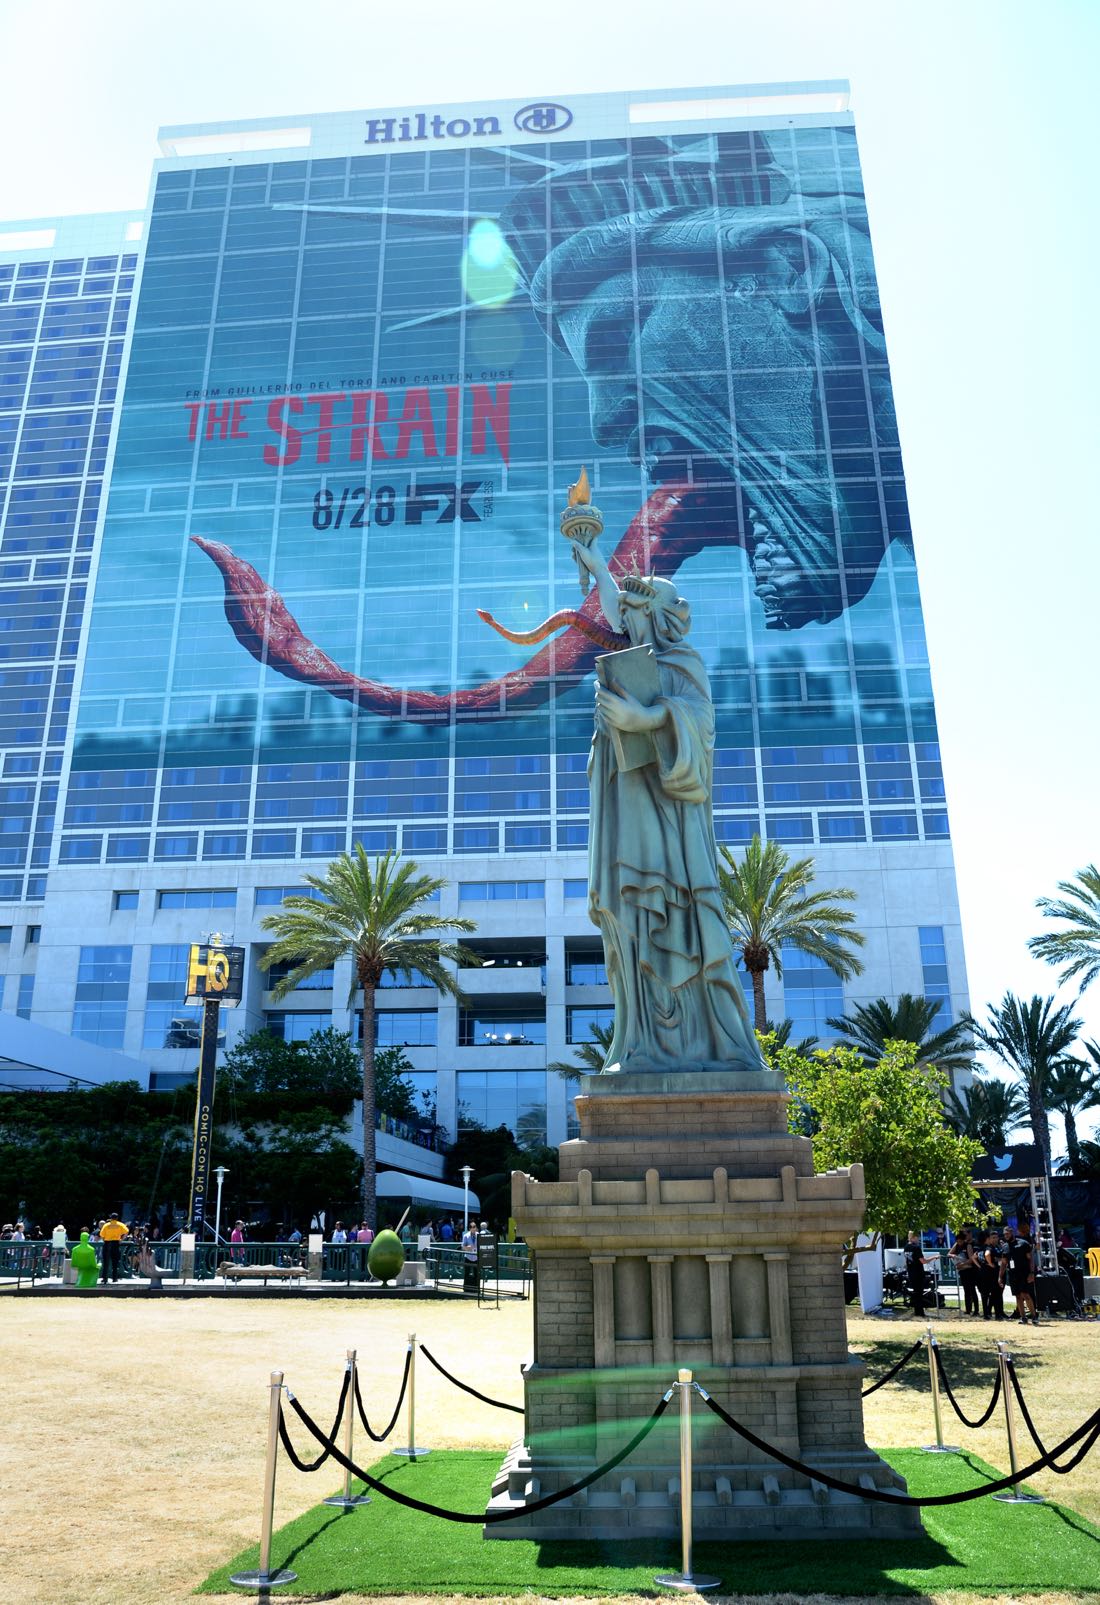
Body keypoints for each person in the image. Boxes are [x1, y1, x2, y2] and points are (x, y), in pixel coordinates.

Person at [569, 534, 764, 1074]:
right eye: (622, 615)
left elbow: (699, 731)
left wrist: (648, 719)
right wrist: (596, 566)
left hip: (671, 832)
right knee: (629, 920)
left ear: (656, 618)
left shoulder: (682, 667)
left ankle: (707, 1044)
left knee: (676, 918)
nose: (623, 623)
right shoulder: (632, 667)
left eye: (634, 614)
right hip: (626, 817)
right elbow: (618, 607)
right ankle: (639, 1044)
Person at [1003, 1225, 1038, 1325]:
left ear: (1012, 1233)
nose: (1006, 1236)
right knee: (1018, 1296)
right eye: (1005, 1234)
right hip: (1013, 1275)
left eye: (1008, 1233)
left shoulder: (1023, 1244)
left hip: (1024, 1273)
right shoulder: (1005, 1247)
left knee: (1025, 1294)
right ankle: (1023, 1317)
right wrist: (1000, 1276)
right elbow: (1004, 1263)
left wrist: (1031, 1273)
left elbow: (1031, 1259)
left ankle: (1034, 1316)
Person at [953, 1230, 981, 1317]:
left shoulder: (968, 1245)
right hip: (962, 1271)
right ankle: (968, 1310)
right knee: (966, 1291)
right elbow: (949, 1253)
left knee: (972, 1290)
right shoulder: (956, 1245)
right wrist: (953, 1256)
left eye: (960, 1241)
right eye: (957, 1241)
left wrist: (963, 1264)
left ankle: (976, 1310)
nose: (959, 1243)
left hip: (970, 1271)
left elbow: (971, 1258)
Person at [979, 1229, 1004, 1321]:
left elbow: (975, 1257)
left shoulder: (996, 1247)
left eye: (996, 1237)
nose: (995, 1239)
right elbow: (987, 1254)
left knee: (992, 1294)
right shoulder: (989, 1248)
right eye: (993, 1238)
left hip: (987, 1272)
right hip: (989, 1273)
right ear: (989, 1239)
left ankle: (988, 1314)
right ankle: (994, 1314)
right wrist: (990, 1263)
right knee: (993, 1294)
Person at [904, 1231, 928, 1319]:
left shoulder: (906, 1247)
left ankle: (917, 1311)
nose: (918, 1239)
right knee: (919, 1293)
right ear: (913, 1237)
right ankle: (920, 1312)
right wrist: (934, 1258)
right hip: (918, 1273)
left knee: (916, 1293)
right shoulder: (916, 1248)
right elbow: (923, 1261)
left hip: (911, 1273)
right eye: (917, 1237)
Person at [99, 1213, 128, 1283]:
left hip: (107, 1243)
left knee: (106, 1262)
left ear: (111, 1218)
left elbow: (102, 1235)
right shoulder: (120, 1224)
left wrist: (105, 1241)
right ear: (117, 1218)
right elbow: (127, 1231)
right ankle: (114, 1278)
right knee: (115, 1261)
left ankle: (105, 1279)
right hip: (116, 1243)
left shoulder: (106, 1225)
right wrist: (121, 1239)